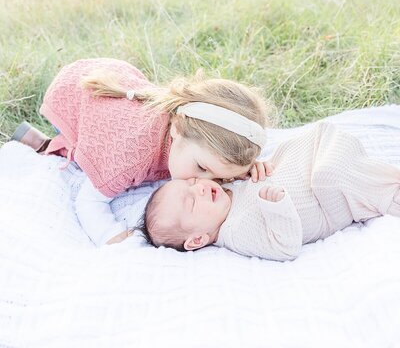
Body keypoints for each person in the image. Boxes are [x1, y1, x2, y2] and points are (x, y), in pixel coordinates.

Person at [11, 57, 273, 246]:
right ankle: (49, 144)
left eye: (219, 176)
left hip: (114, 76)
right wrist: (112, 236)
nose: (203, 184)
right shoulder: (129, 158)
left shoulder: (193, 136)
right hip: (74, 93)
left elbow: (225, 150)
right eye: (203, 169)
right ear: (177, 130)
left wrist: (240, 168)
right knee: (88, 157)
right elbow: (88, 201)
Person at [137, 120, 400, 261]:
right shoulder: (238, 231)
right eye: (192, 203)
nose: (201, 190)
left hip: (315, 151)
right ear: (198, 240)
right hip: (328, 195)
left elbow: (262, 170)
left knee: (327, 168)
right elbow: (286, 248)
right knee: (329, 176)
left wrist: (255, 168)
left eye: (192, 184)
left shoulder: (224, 191)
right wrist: (277, 209)